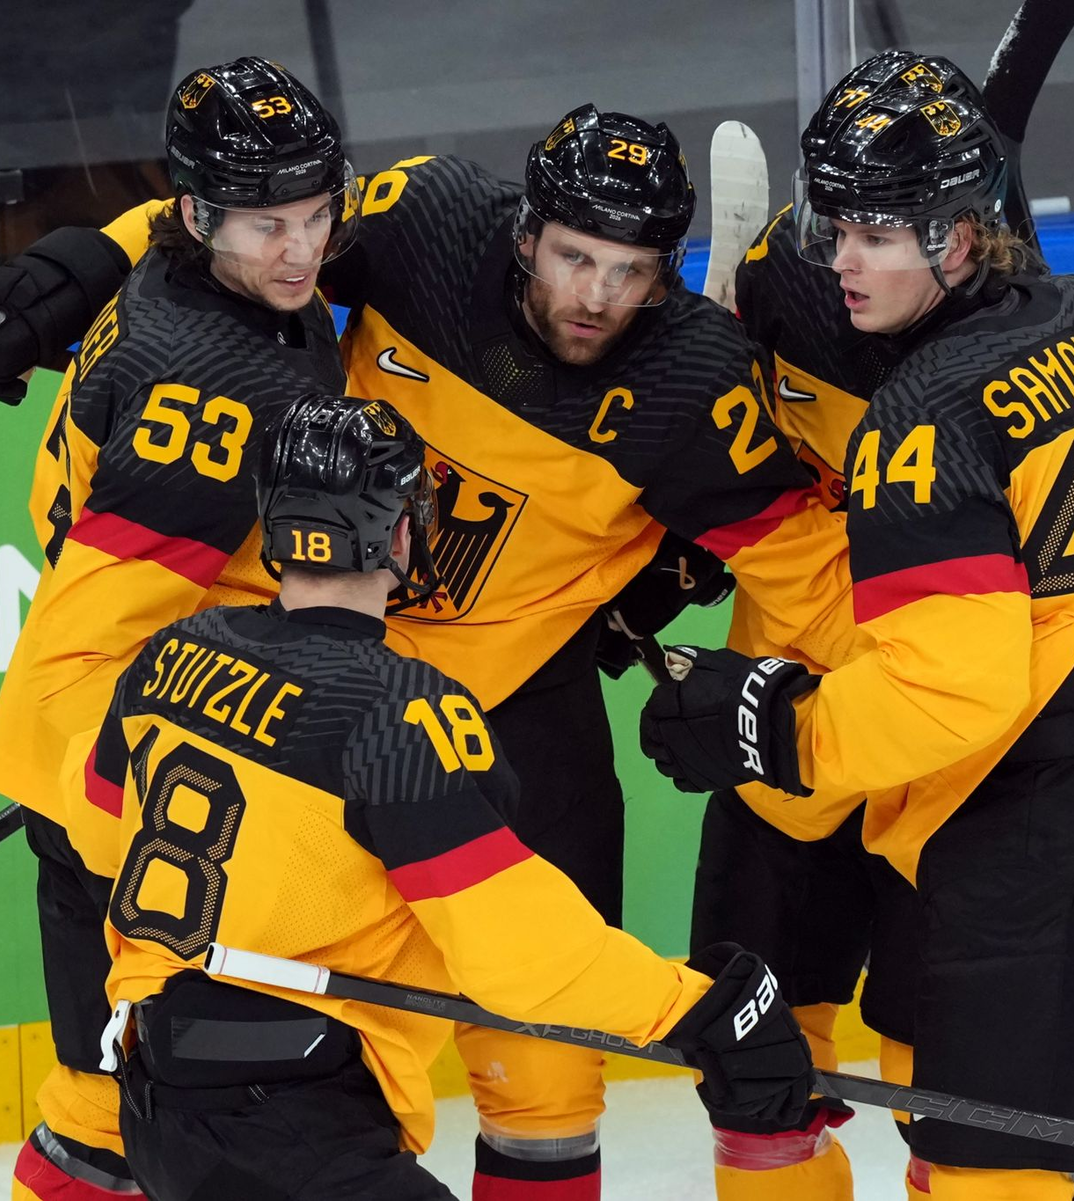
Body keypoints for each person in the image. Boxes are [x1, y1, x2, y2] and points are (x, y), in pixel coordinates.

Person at [1, 102, 860, 1199]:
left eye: (632, 270)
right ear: (521, 235)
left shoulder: (695, 388)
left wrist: (792, 701)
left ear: (667, 269)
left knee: (544, 1087)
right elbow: (241, 213)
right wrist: (94, 258)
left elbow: (811, 573)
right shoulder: (425, 223)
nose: (596, 295)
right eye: (573, 257)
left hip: (501, 715)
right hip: (313, 697)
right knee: (98, 1101)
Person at [641, 65, 1074, 1201]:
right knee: (1021, 1134)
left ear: (958, 236)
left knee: (990, 1171)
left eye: (876, 235)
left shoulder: (921, 421)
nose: (841, 257)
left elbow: (951, 692)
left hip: (1019, 807)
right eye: (832, 224)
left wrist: (768, 730)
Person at [68, 391, 814, 1201]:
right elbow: (520, 951)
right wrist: (696, 1009)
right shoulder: (401, 712)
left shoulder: (174, 653)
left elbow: (100, 829)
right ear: (400, 531)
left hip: (154, 1106)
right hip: (299, 1128)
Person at [0, 57, 353, 1201]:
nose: (300, 250)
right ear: (205, 215)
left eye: (315, 213)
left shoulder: (186, 252)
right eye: (268, 225)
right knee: (138, 1114)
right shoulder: (206, 389)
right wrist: (108, 814)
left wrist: (79, 253)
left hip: (109, 746)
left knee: (100, 1101)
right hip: (112, 771)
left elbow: (149, 214)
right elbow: (92, 640)